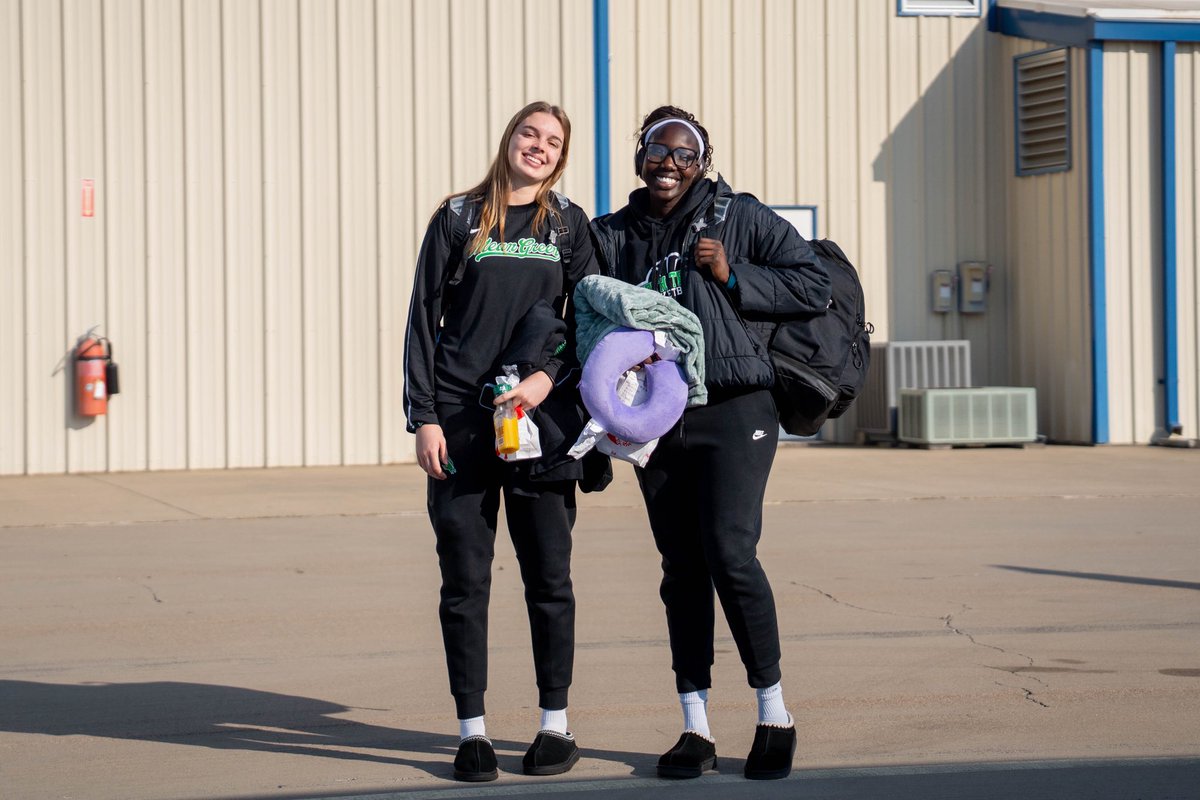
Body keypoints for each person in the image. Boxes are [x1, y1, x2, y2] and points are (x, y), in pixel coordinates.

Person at [590, 106, 832, 780]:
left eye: (684, 153)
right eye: (657, 151)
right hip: (657, 417)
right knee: (681, 567)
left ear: (703, 160)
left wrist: (731, 275)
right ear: (639, 157)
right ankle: (694, 726)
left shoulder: (739, 217)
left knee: (730, 551)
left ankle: (773, 713)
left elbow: (812, 284)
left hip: (735, 405)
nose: (670, 164)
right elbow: (579, 309)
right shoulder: (613, 234)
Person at [403, 101, 603, 782]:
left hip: (538, 424)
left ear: (562, 156)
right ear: (509, 138)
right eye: (530, 134)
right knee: (465, 581)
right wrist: (424, 417)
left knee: (549, 576)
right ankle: (473, 732)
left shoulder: (569, 225)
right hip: (461, 421)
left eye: (553, 141)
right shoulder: (459, 218)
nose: (539, 147)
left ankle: (555, 725)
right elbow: (421, 321)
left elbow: (594, 321)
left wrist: (550, 380)